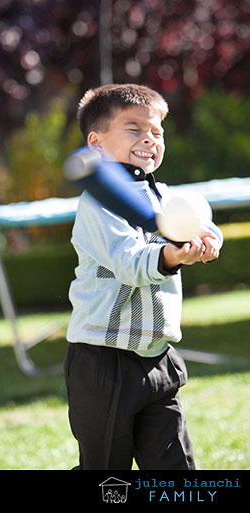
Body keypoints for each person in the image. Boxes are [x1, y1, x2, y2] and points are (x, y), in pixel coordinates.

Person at [66, 83, 222, 470]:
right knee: (106, 475)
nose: (149, 139)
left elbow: (200, 220)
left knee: (176, 471)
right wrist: (172, 255)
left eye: (157, 132)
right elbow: (130, 262)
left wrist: (207, 238)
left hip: (158, 357)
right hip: (104, 362)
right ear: (96, 143)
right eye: (134, 129)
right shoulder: (97, 203)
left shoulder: (165, 196)